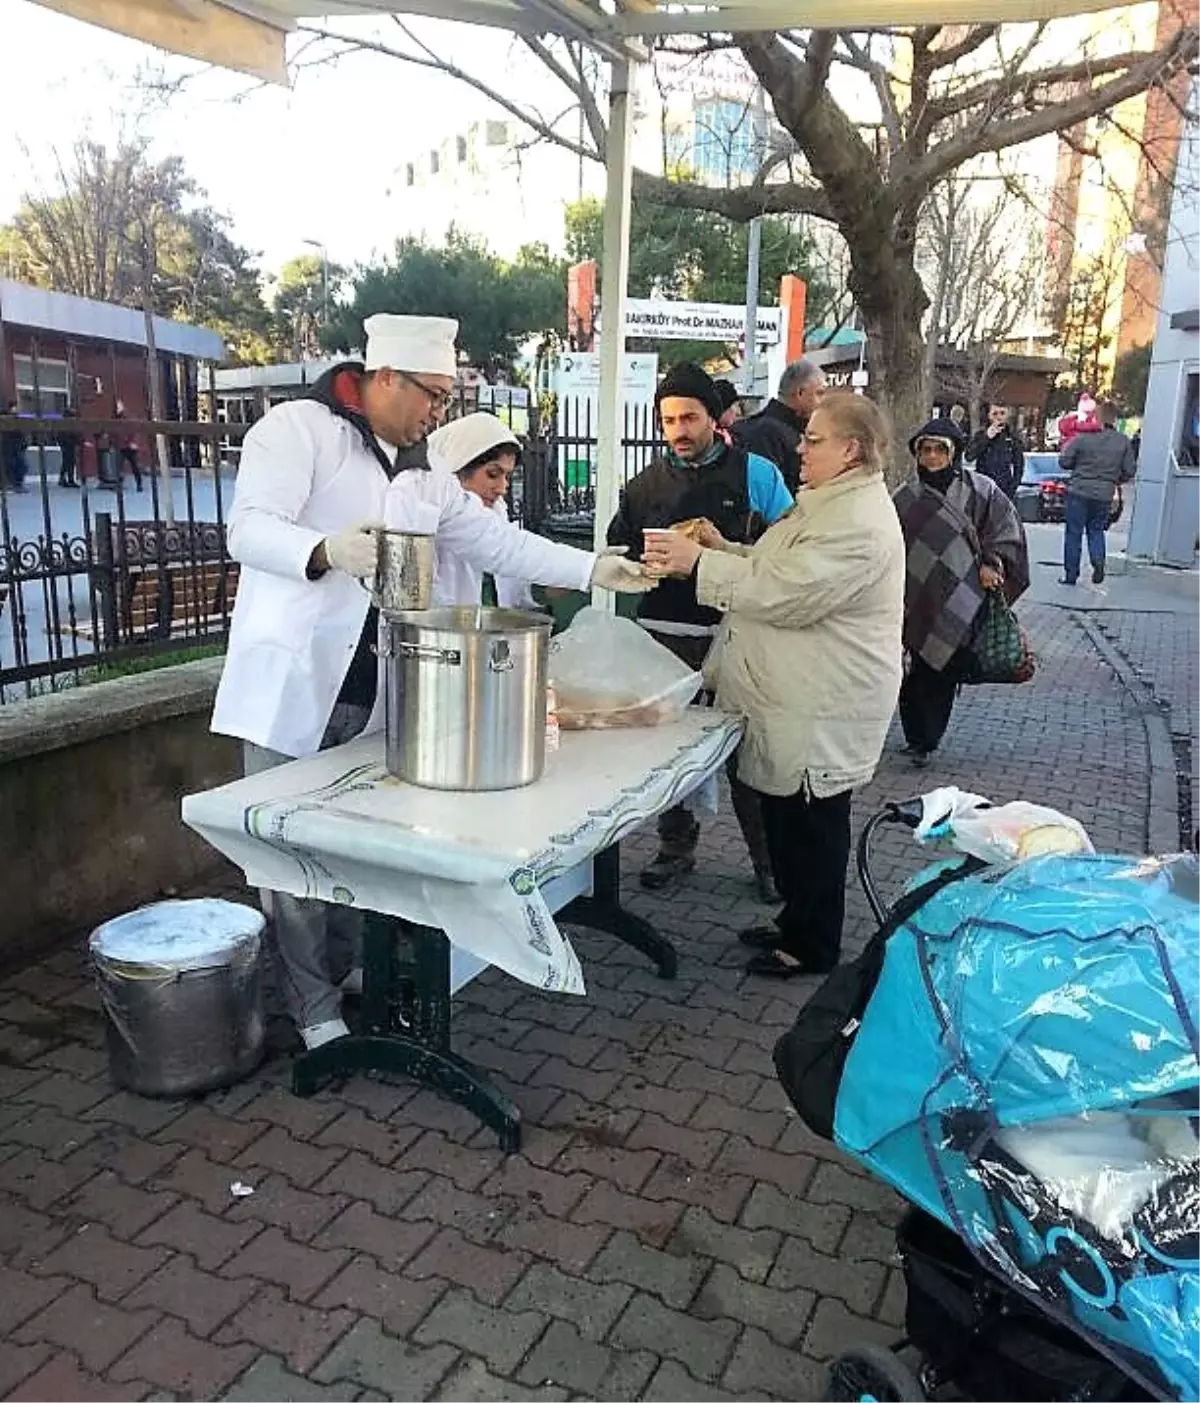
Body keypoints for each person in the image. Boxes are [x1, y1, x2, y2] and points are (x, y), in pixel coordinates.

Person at [212, 313, 652, 1050]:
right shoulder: (297, 431)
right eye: (433, 395)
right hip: (291, 684)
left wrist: (588, 568)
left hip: (373, 685)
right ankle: (312, 1004)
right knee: (289, 854)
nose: (437, 412)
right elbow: (248, 528)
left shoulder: (419, 470)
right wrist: (324, 548)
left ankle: (350, 970)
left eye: (445, 397)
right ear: (384, 378)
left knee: (355, 845)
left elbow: (492, 536)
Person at [642, 392, 905, 978]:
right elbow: (773, 567)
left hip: (823, 703)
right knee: (788, 819)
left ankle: (813, 945)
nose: (800, 447)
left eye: (813, 439)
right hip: (796, 695)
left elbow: (789, 594)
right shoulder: (829, 502)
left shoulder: (857, 521)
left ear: (850, 450)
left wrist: (699, 565)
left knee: (813, 826)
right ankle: (795, 920)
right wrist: (723, 547)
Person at [608, 361, 794, 901]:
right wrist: (639, 563)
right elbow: (619, 549)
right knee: (670, 752)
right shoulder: (643, 485)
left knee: (748, 757)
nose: (678, 430)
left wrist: (723, 551)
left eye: (689, 417)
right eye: (668, 420)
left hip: (737, 636)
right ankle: (675, 849)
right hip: (662, 635)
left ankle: (769, 864)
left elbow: (789, 552)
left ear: (714, 418)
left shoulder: (756, 473)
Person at [893, 417, 1029, 767]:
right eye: (926, 449)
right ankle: (915, 736)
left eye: (940, 450)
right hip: (914, 597)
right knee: (913, 671)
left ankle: (928, 739)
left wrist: (992, 563)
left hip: (964, 596)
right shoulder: (904, 496)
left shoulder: (981, 489)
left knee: (943, 667)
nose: (933, 456)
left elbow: (1004, 530)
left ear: (954, 453)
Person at [426, 411, 537, 609]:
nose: (502, 488)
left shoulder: (497, 513)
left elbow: (518, 562)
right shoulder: (427, 520)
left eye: (507, 477)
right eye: (493, 474)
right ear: (458, 468)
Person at [1059, 400, 1136, 586]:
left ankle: (1071, 575)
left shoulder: (1082, 438)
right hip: (1103, 495)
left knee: (1073, 533)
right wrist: (1114, 479)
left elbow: (1064, 461)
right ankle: (1098, 560)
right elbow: (1130, 470)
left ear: (1097, 417)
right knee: (1096, 530)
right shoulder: (1122, 441)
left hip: (1078, 491)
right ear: (1115, 419)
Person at [733, 358, 826, 494]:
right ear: (800, 393)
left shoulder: (784, 428)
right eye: (819, 393)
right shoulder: (766, 432)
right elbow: (767, 494)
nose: (823, 401)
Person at [964, 403, 1025, 501]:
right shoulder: (980, 435)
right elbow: (969, 456)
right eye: (995, 414)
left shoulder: (1012, 438)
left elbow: (1019, 467)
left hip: (1004, 489)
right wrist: (986, 437)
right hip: (983, 489)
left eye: (1002, 413)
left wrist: (1012, 489)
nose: (999, 417)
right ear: (989, 415)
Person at [114, 401, 143, 491]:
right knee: (120, 467)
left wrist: (133, 442)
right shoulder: (116, 419)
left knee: (133, 466)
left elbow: (134, 432)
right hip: (121, 445)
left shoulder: (127, 418)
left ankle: (138, 484)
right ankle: (119, 484)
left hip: (129, 446)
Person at [2, 402, 29, 492]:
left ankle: (17, 484)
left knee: (21, 465)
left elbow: (22, 433)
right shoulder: (6, 419)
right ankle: (11, 483)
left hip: (17, 447)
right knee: (10, 465)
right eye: (15, 408)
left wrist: (24, 443)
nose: (17, 409)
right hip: (9, 447)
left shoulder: (18, 419)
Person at [57, 408, 79, 487]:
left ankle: (68, 479)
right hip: (67, 445)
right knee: (67, 462)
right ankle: (64, 479)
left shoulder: (68, 424)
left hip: (69, 445)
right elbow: (62, 436)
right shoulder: (65, 424)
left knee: (70, 462)